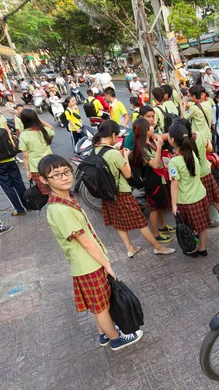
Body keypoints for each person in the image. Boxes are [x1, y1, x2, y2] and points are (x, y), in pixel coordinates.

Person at [39, 154, 144, 350]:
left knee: (97, 304)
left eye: (66, 171)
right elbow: (85, 242)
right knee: (102, 307)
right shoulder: (59, 210)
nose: (64, 177)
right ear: (44, 180)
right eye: (56, 175)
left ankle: (103, 334)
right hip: (89, 264)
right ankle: (116, 339)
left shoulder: (64, 200)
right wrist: (107, 264)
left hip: (85, 264)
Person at [92, 120, 175, 258]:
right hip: (122, 192)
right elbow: (128, 174)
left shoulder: (96, 150)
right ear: (113, 135)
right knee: (141, 222)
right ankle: (158, 247)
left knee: (118, 222)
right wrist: (124, 156)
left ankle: (129, 248)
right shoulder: (114, 153)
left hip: (107, 193)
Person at [167, 123, 210, 256]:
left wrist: (174, 205)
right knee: (202, 225)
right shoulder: (191, 153)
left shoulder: (174, 162)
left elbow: (174, 185)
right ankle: (202, 248)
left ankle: (191, 249)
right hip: (200, 196)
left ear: (172, 140)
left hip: (186, 200)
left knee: (188, 227)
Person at [130, 118, 174, 244]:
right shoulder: (142, 148)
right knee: (154, 208)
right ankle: (155, 234)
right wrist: (159, 146)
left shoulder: (149, 141)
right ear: (145, 130)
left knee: (160, 205)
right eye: (150, 126)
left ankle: (162, 226)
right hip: (152, 180)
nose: (153, 126)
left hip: (159, 178)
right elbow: (154, 164)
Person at [19, 109, 54, 195]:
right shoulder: (44, 130)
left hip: (36, 168)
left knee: (46, 192)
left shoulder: (24, 135)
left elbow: (25, 156)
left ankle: (52, 205)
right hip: (51, 164)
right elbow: (51, 128)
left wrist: (28, 171)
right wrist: (38, 119)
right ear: (36, 118)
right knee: (56, 187)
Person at [0, 116, 26, 216]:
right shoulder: (1, 117)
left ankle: (19, 209)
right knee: (19, 182)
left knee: (7, 187)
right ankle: (27, 204)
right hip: (10, 158)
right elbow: (10, 134)